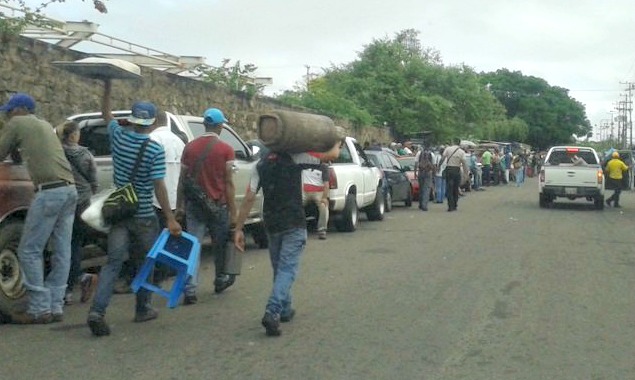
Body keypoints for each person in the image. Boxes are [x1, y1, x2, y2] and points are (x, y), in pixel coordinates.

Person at [87, 80, 182, 337]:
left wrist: (106, 89)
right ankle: (143, 308)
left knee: (113, 262)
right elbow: (159, 187)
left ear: (130, 119)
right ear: (152, 123)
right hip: (142, 215)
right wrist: (171, 218)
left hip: (120, 212)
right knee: (147, 261)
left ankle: (97, 311)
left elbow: (106, 116)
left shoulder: (118, 137)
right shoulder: (154, 149)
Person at [233, 142, 341, 337]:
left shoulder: (260, 165)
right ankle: (272, 311)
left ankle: (285, 308)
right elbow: (330, 155)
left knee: (279, 269)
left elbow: (249, 197)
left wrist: (239, 228)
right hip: (293, 222)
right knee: (287, 269)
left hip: (272, 223)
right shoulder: (296, 157)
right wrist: (337, 140)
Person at [0, 93, 78, 324]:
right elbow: (17, 151)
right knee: (61, 250)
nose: (6, 114)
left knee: (29, 250)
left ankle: (39, 308)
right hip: (69, 190)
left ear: (20, 109)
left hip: (49, 192)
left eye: (9, 111)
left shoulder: (17, 123)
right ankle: (55, 305)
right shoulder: (44, 125)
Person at [177, 107, 237, 304]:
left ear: (205, 124)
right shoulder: (226, 150)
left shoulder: (190, 148)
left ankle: (190, 289)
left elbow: (182, 179)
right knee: (220, 245)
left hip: (195, 205)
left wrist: (180, 206)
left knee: (193, 246)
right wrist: (234, 212)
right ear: (220, 126)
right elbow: (228, 183)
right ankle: (220, 279)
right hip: (218, 205)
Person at [57, 121, 99, 305]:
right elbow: (94, 179)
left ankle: (67, 286)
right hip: (82, 202)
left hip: (63, 200)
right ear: (74, 135)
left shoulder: (58, 152)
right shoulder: (85, 154)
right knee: (75, 244)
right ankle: (76, 282)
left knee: (63, 244)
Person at [302, 162, 330, 239]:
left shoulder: (323, 167)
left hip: (318, 192)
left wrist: (324, 198)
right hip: (304, 191)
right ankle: (296, 229)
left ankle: (322, 230)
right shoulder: (304, 165)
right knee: (295, 205)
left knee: (323, 206)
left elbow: (326, 185)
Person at [442, 138, 469, 212]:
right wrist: (466, 174)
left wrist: (438, 167)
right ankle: (455, 204)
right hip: (456, 169)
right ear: (459, 143)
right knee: (455, 188)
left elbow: (443, 158)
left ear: (453, 142)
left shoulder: (448, 149)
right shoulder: (461, 152)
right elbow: (464, 163)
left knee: (449, 188)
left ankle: (450, 206)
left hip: (449, 169)